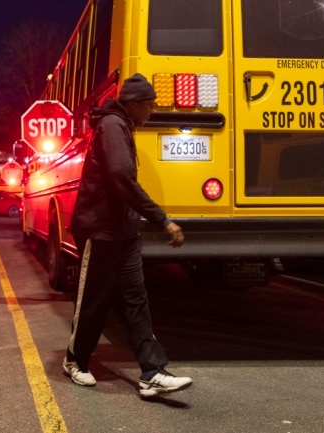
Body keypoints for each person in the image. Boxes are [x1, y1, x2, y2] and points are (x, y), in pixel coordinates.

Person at [62, 73, 192, 398]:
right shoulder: (111, 126)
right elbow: (121, 176)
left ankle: (152, 372)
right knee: (95, 300)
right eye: (149, 106)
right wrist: (163, 220)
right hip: (100, 230)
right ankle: (74, 360)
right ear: (133, 104)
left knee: (136, 298)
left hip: (124, 230)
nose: (152, 112)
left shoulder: (123, 126)